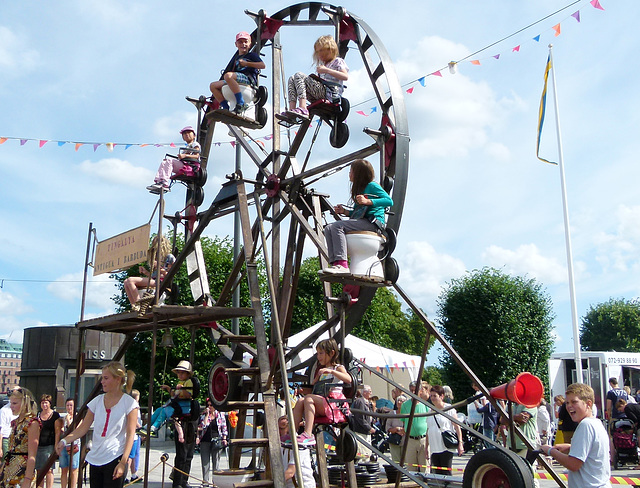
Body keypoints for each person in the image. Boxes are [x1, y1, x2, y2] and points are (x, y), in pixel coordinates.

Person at [55, 362, 138, 488]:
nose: (102, 382)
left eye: (106, 378)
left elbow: (131, 434)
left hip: (115, 456)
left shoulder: (129, 403)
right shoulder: (97, 401)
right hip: (96, 458)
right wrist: (65, 440)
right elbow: (83, 428)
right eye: (102, 378)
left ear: (117, 379)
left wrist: (123, 462)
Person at [321, 159, 393, 275]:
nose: (349, 174)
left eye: (351, 171)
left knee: (336, 227)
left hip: (373, 223)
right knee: (328, 228)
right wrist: (345, 212)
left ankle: (342, 264)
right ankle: (336, 264)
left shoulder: (372, 186)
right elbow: (358, 212)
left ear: (358, 173)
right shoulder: (361, 189)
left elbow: (389, 201)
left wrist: (368, 201)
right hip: (363, 221)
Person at [540, 383, 611, 488]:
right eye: (567, 402)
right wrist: (570, 447)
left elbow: (573, 464)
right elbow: (593, 452)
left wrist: (550, 451)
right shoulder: (596, 423)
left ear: (588, 404)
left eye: (574, 402)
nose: (569, 406)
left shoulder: (585, 425)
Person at [291, 338, 352, 446]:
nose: (318, 357)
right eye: (317, 353)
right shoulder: (320, 371)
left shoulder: (338, 368)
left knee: (309, 398)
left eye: (321, 353)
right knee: (301, 400)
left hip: (334, 403)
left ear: (331, 353)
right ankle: (293, 433)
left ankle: (308, 434)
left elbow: (348, 379)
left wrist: (332, 371)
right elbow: (313, 388)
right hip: (322, 401)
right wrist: (302, 390)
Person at [282, 35, 348, 117]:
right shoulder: (323, 66)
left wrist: (327, 70)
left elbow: (345, 76)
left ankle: (303, 108)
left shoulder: (338, 61)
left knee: (299, 75)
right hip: (318, 93)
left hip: (330, 93)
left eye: (321, 51)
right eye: (317, 52)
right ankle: (291, 110)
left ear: (330, 50)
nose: (319, 54)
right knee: (292, 79)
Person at [209, 31, 265, 115]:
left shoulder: (252, 56)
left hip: (247, 79)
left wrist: (247, 63)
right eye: (240, 42)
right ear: (236, 44)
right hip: (237, 79)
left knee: (228, 76)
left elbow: (262, 65)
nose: (243, 44)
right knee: (213, 86)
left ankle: (241, 102)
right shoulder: (236, 59)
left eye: (246, 42)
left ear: (250, 44)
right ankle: (225, 107)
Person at [140, 361, 194, 441]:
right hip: (177, 405)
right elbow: (174, 395)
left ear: (188, 374)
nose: (180, 375)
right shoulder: (180, 382)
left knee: (164, 411)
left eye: (182, 373)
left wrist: (182, 389)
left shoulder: (188, 382)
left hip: (184, 406)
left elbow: (188, 395)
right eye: (179, 373)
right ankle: (146, 426)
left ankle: (153, 428)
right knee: (159, 410)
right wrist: (169, 389)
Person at [0, 388, 40, 488]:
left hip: (22, 470)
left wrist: (27, 479)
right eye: (10, 403)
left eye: (14, 403)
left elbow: (32, 455)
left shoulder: (32, 423)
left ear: (24, 403)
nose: (11, 407)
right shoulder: (16, 422)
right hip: (9, 469)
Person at [124, 236, 175, 312]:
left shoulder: (169, 257)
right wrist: (145, 272)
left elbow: (170, 275)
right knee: (126, 282)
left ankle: (139, 305)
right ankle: (134, 306)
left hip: (162, 282)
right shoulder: (155, 257)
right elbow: (153, 276)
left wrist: (159, 267)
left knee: (131, 280)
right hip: (154, 281)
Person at [147, 127, 201, 194]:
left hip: (191, 167)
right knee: (164, 162)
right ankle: (159, 181)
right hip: (184, 165)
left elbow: (196, 156)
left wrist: (185, 155)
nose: (187, 134)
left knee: (169, 160)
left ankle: (164, 183)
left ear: (194, 135)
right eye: (184, 134)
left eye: (189, 133)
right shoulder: (186, 147)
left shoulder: (195, 144)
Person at [426, 385, 464, 476]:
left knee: (446, 473)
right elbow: (428, 430)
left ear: (441, 396)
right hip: (434, 448)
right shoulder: (430, 411)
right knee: (436, 474)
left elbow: (457, 426)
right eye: (431, 396)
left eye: (435, 396)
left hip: (445, 447)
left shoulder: (449, 408)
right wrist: (426, 448)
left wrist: (460, 443)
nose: (432, 398)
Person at [399, 381, 430, 472]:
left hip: (423, 439)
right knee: (411, 468)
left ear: (420, 391)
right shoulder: (405, 405)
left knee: (424, 467)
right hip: (410, 440)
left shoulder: (425, 405)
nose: (413, 393)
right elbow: (403, 422)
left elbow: (429, 423)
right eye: (411, 390)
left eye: (415, 390)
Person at [196, 399, 228, 487]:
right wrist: (207, 415)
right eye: (208, 405)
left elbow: (224, 427)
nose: (209, 407)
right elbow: (202, 426)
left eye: (211, 405)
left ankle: (215, 482)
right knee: (205, 462)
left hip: (217, 439)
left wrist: (224, 438)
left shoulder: (220, 414)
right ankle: (205, 481)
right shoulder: (203, 415)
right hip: (205, 440)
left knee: (216, 462)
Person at [279, 416, 315, 488]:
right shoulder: (281, 444)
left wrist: (275, 483)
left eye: (281, 428)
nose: (278, 431)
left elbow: (290, 472)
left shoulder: (300, 444)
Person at [35, 394, 62, 488]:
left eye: (46, 403)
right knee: (39, 469)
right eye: (42, 403)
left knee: (49, 469)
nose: (44, 405)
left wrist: (56, 446)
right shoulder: (38, 414)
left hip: (49, 445)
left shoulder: (55, 415)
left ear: (50, 404)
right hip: (39, 445)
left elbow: (57, 432)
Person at [60, 398, 81, 488]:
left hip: (74, 446)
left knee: (73, 469)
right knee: (64, 469)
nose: (69, 407)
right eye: (67, 405)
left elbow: (75, 430)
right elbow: (63, 431)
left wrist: (69, 422)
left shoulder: (78, 417)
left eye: (71, 405)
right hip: (65, 446)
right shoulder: (64, 418)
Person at [350, 385, 375, 459]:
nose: (371, 393)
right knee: (363, 453)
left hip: (366, 432)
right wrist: (369, 428)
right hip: (361, 432)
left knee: (367, 452)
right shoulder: (360, 401)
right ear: (364, 392)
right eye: (370, 391)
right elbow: (360, 418)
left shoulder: (366, 402)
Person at [125, 391, 142, 484]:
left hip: (137, 435)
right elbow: (134, 420)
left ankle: (133, 474)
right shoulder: (131, 406)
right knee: (130, 457)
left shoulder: (136, 406)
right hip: (133, 434)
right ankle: (124, 475)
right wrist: (140, 427)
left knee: (135, 455)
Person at [386, 395, 407, 463]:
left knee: (406, 462)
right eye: (398, 400)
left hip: (406, 441)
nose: (400, 402)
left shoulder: (408, 414)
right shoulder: (392, 413)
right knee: (396, 462)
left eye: (402, 401)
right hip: (394, 441)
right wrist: (396, 429)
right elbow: (387, 428)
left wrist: (403, 430)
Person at [0, 392, 18, 460]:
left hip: (17, 439)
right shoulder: (4, 410)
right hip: (6, 438)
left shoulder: (22, 410)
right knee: (6, 461)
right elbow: (1, 429)